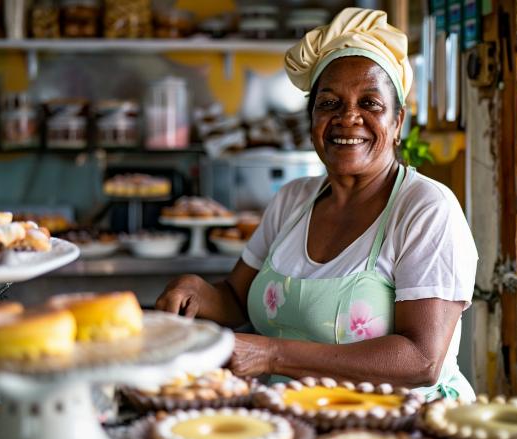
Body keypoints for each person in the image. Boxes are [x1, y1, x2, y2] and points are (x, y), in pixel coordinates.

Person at [156, 7, 478, 401]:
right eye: (329, 103)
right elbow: (238, 299)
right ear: (311, 120)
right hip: (293, 418)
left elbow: (420, 361)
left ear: (397, 123)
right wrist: (195, 290)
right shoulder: (293, 199)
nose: (348, 118)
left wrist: (273, 355)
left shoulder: (426, 208)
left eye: (371, 104)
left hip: (398, 428)